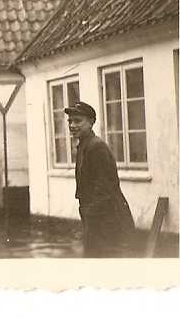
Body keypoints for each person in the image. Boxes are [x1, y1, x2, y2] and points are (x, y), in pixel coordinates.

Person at [66, 101, 135, 257]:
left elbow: (104, 189)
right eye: (70, 121)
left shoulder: (96, 147)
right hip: (96, 219)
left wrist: (90, 223)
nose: (72, 125)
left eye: (78, 121)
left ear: (91, 122)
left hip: (106, 221)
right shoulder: (85, 145)